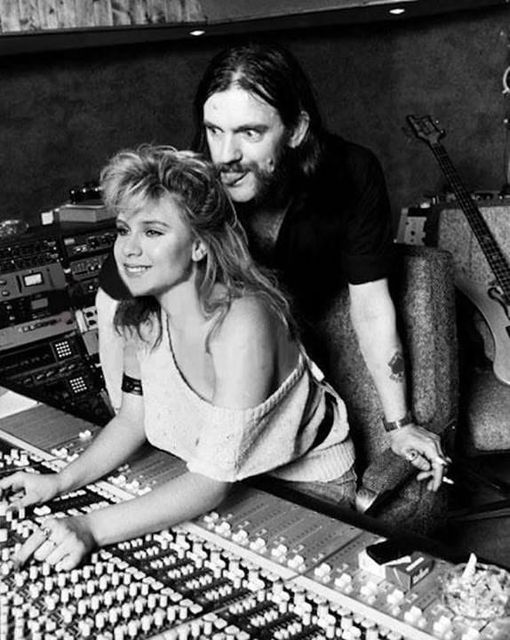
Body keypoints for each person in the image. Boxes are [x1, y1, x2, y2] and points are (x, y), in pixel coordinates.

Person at [99, 41, 449, 490]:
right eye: (214, 130)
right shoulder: (194, 180)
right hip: (205, 395)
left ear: (296, 129)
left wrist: (398, 424)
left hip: (292, 394)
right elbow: (119, 297)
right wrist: (131, 419)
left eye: (249, 133)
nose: (225, 155)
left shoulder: (351, 171)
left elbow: (371, 307)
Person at [0, 146, 357, 570]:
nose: (128, 250)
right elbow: (132, 420)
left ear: (199, 246)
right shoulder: (141, 315)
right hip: (223, 475)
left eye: (152, 232)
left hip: (304, 487)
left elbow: (211, 482)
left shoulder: (244, 321)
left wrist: (89, 527)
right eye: (123, 230)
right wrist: (60, 482)